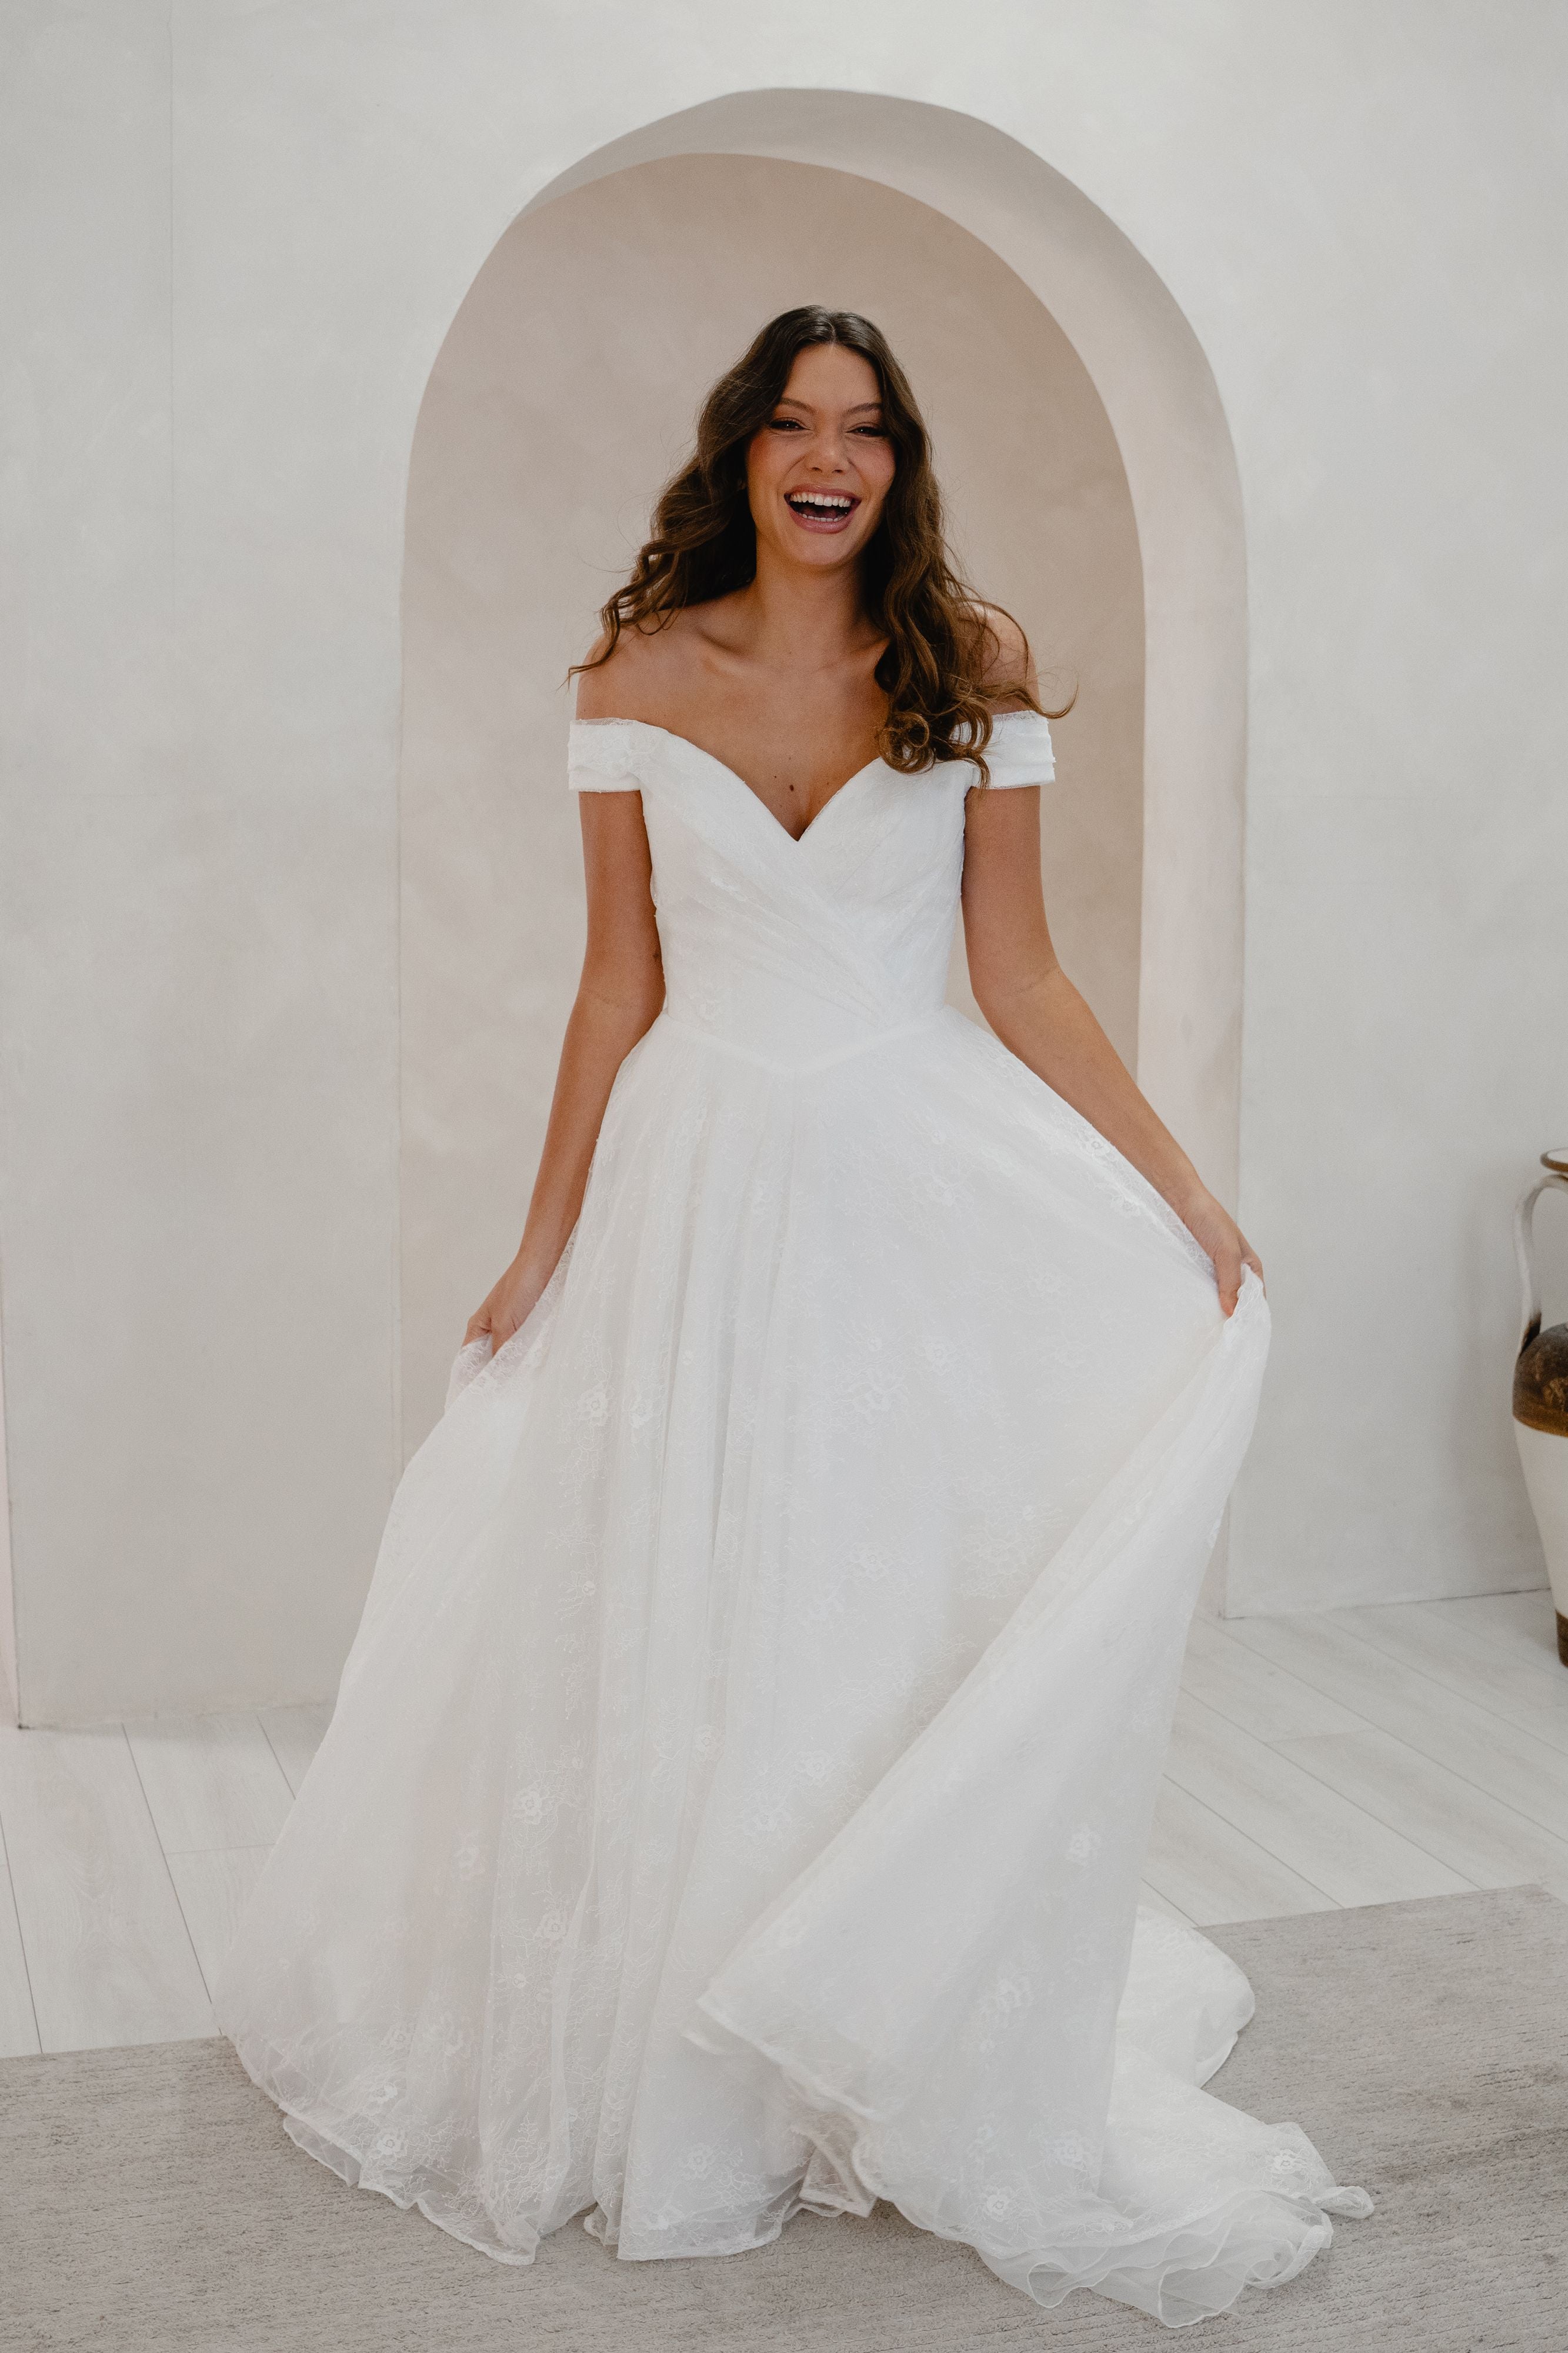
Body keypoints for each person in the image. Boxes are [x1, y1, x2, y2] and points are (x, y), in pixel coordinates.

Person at [216, 307, 1368, 2326]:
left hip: (912, 1180)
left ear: (899, 465)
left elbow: (1018, 975)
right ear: (738, 455)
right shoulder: (636, 673)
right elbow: (613, 988)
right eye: (789, 426)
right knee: (693, 1589)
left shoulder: (972, 665)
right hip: (701, 1182)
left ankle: (871, 1999)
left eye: (863, 430)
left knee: (869, 1591)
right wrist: (541, 1236)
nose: (825, 458)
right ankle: (687, 2041)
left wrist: (1182, 1189)